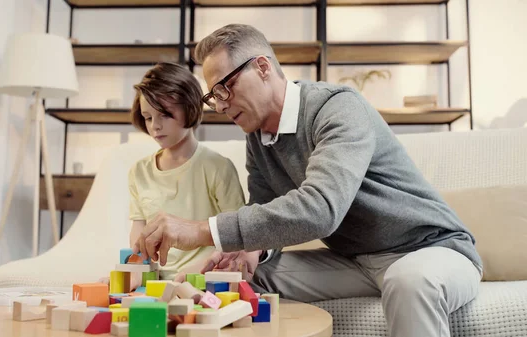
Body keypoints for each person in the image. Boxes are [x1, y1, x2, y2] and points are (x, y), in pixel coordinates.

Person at [132, 24, 483, 337]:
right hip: (356, 261)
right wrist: (250, 249)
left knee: (409, 281)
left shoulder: (338, 109)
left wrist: (202, 230)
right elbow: (264, 208)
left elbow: (321, 208)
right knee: (249, 277)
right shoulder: (257, 137)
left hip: (431, 249)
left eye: (225, 87)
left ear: (263, 67)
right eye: (213, 96)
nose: (221, 105)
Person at [116, 62, 245, 290]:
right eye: (147, 117)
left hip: (206, 278)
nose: (155, 126)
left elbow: (237, 233)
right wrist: (133, 274)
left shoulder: (217, 167)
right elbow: (139, 233)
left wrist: (194, 273)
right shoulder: (139, 172)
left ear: (190, 108)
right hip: (154, 281)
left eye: (165, 114)